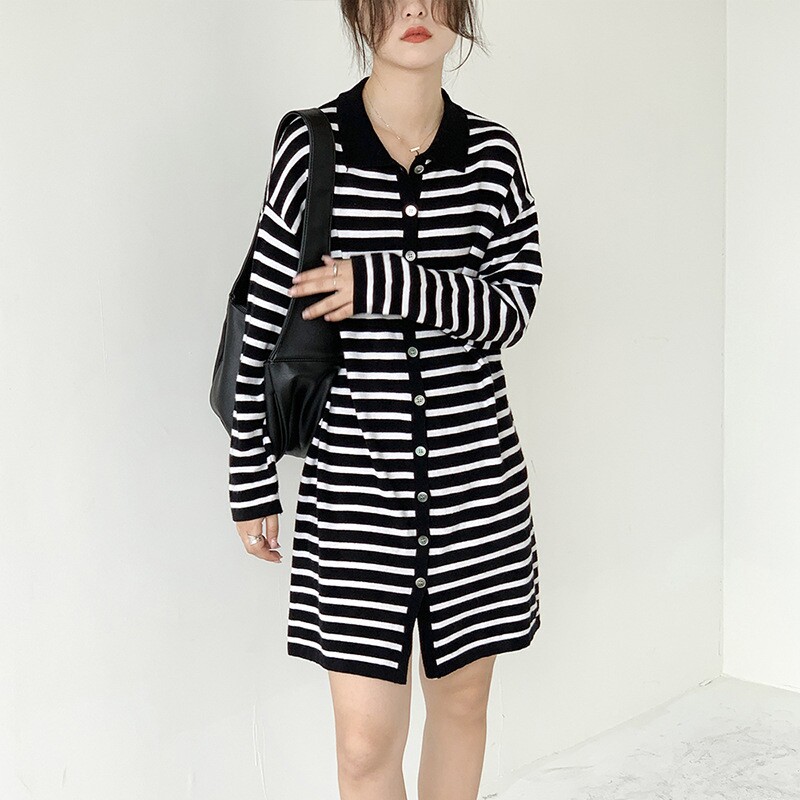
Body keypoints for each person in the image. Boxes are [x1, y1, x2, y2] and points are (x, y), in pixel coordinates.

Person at [227, 1, 543, 797]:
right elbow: (261, 319)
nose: (414, 8)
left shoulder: (492, 156)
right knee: (365, 746)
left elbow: (511, 309)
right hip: (356, 489)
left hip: (476, 484)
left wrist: (383, 282)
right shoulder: (313, 146)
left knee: (462, 704)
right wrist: (250, 476)